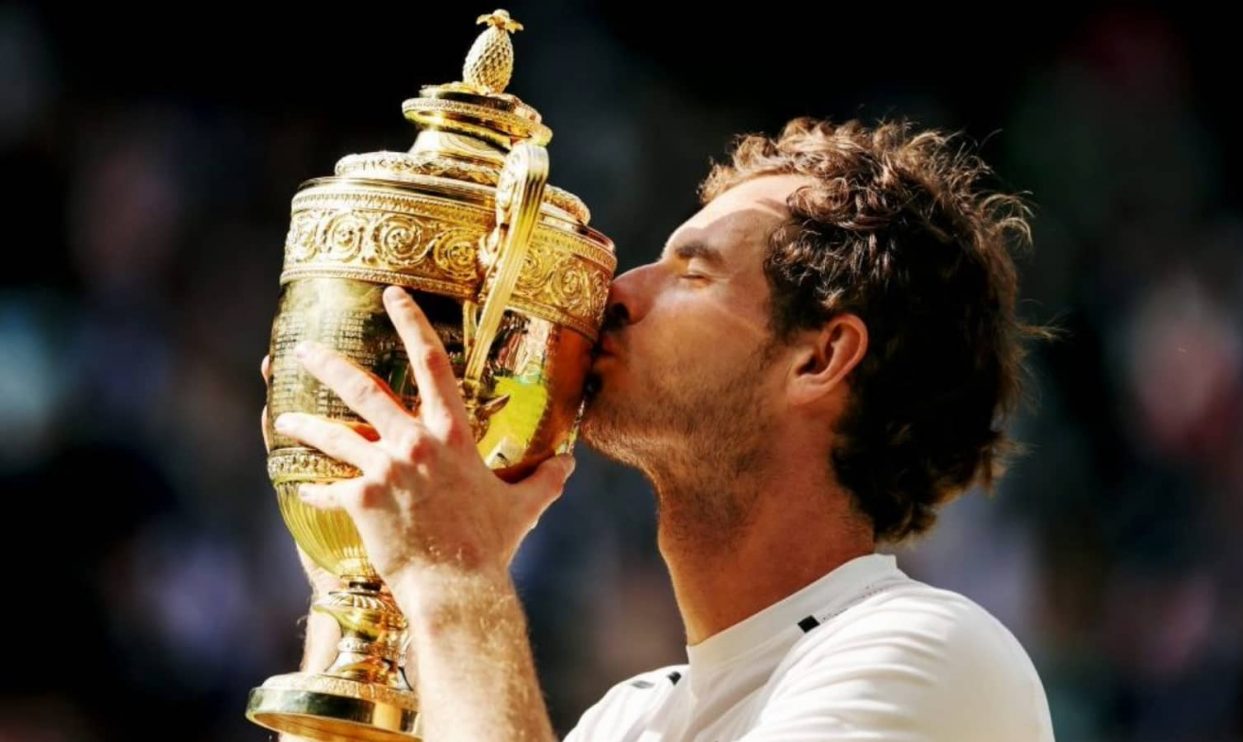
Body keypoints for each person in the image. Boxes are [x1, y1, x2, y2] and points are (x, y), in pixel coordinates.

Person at [266, 116, 1055, 740]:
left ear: (820, 357)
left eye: (693, 272)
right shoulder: (626, 721)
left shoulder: (928, 652)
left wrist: (455, 570)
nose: (618, 292)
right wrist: (362, 581)